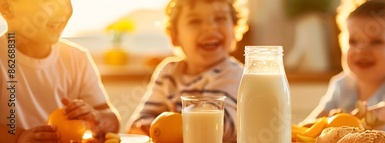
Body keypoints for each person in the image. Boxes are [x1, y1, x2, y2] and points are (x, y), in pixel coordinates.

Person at [127, 0, 248, 142]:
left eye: (220, 18)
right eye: (195, 21)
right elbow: (137, 126)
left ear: (234, 29)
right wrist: (155, 127)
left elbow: (216, 129)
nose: (210, 28)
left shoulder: (237, 75)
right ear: (175, 36)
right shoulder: (168, 72)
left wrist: (169, 124)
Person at [0, 0, 121, 142]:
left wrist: (97, 118)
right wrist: (18, 137)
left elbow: (113, 122)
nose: (62, 10)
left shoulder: (77, 58)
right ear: (6, 7)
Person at [301, 0, 385, 133]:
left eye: (376, 42)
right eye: (353, 41)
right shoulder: (341, 85)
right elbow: (309, 126)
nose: (361, 50)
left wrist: (381, 114)